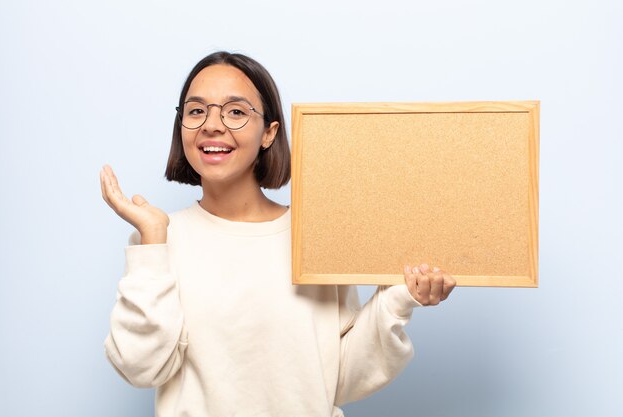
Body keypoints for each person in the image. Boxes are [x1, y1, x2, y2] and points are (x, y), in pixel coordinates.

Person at [100, 51, 456, 417]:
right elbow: (140, 367)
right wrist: (153, 240)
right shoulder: (159, 240)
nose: (211, 125)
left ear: (269, 132)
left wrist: (397, 299)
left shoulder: (316, 233)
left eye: (235, 111)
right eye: (196, 111)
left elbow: (341, 376)